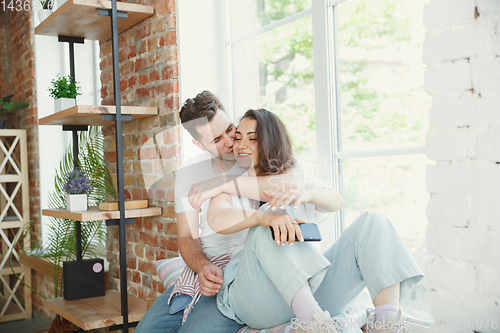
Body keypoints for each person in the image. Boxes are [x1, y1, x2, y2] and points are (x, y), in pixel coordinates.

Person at [206, 109, 424, 333]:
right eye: (238, 137)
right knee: (272, 218)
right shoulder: (230, 185)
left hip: (309, 295)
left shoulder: (293, 180)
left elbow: (336, 201)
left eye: (252, 138)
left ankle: (387, 324)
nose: (241, 145)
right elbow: (217, 218)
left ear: (271, 142)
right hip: (256, 298)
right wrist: (261, 217)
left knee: (374, 221)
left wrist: (308, 194)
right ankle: (313, 327)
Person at [135, 91, 302, 333]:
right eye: (216, 139)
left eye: (230, 129)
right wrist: (202, 266)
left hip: (244, 271)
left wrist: (220, 185)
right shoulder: (189, 172)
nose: (231, 142)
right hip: (206, 269)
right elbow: (186, 236)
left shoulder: (258, 157)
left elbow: (287, 185)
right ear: (199, 144)